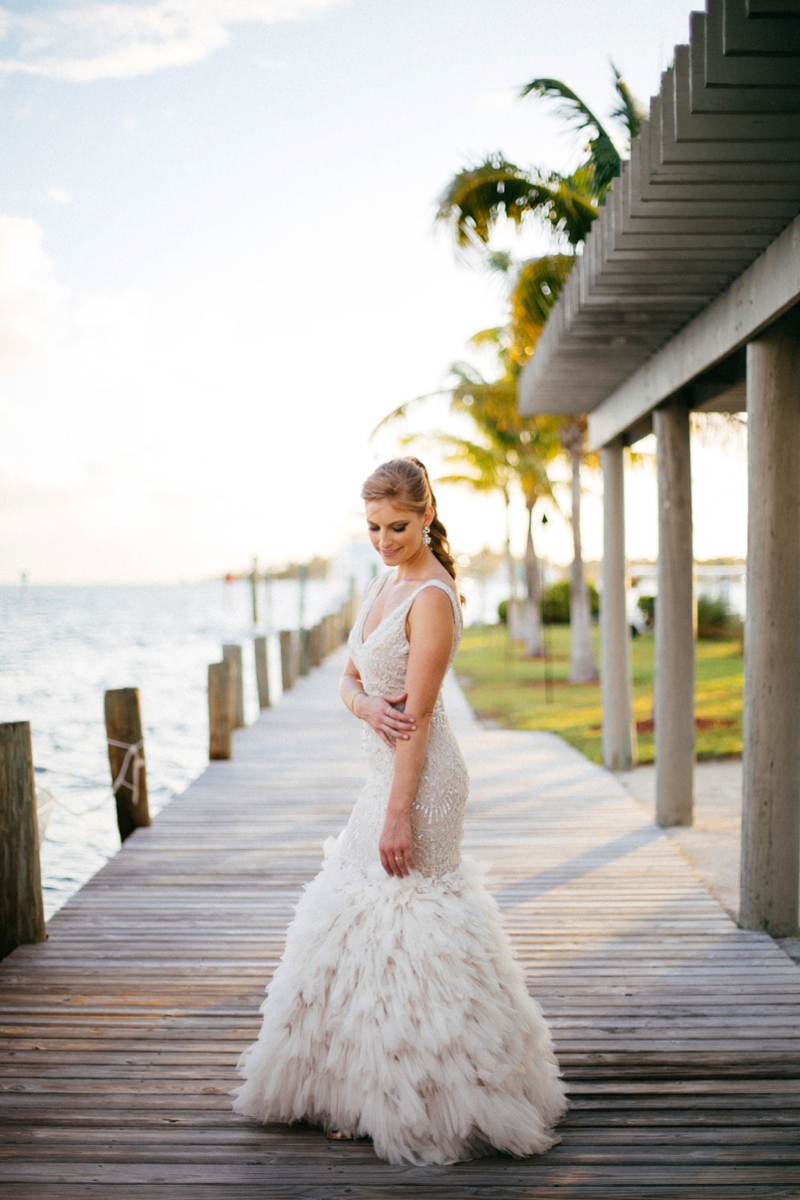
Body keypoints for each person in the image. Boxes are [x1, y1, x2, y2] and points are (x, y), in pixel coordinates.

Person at [232, 457, 566, 1165]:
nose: (385, 539)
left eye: (399, 526)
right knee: (353, 912)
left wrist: (396, 814)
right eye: (375, 527)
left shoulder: (433, 599)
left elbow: (414, 725)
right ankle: (353, 1084)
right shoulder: (383, 581)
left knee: (411, 920)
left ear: (428, 515)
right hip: (381, 772)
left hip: (423, 783)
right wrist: (364, 707)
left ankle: (432, 1089)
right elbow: (352, 682)